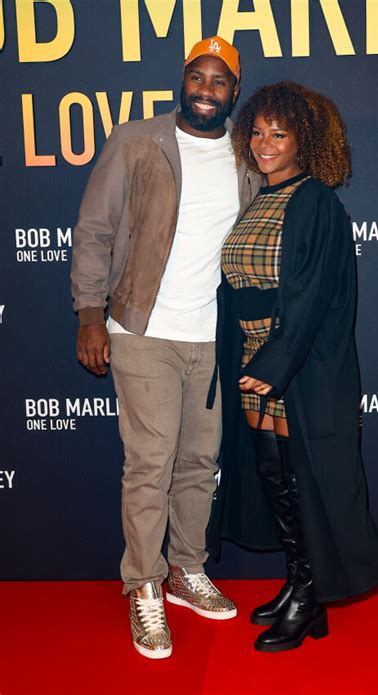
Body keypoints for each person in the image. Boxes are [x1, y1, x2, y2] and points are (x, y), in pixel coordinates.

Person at [71, 36, 261, 660]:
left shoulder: (244, 158)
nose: (206, 90)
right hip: (140, 330)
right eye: (197, 77)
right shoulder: (137, 141)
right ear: (182, 81)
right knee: (149, 465)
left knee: (200, 465)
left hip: (210, 340)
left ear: (234, 92)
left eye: (220, 81)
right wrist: (90, 316)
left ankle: (185, 569)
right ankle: (144, 585)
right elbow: (95, 231)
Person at [215, 82, 378, 652]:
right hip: (253, 358)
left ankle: (310, 593)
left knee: (302, 478)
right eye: (259, 132)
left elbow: (313, 295)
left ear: (304, 140)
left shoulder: (314, 200)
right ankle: (299, 584)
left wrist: (278, 361)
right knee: (275, 477)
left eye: (280, 133)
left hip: (295, 364)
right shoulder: (259, 199)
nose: (266, 144)